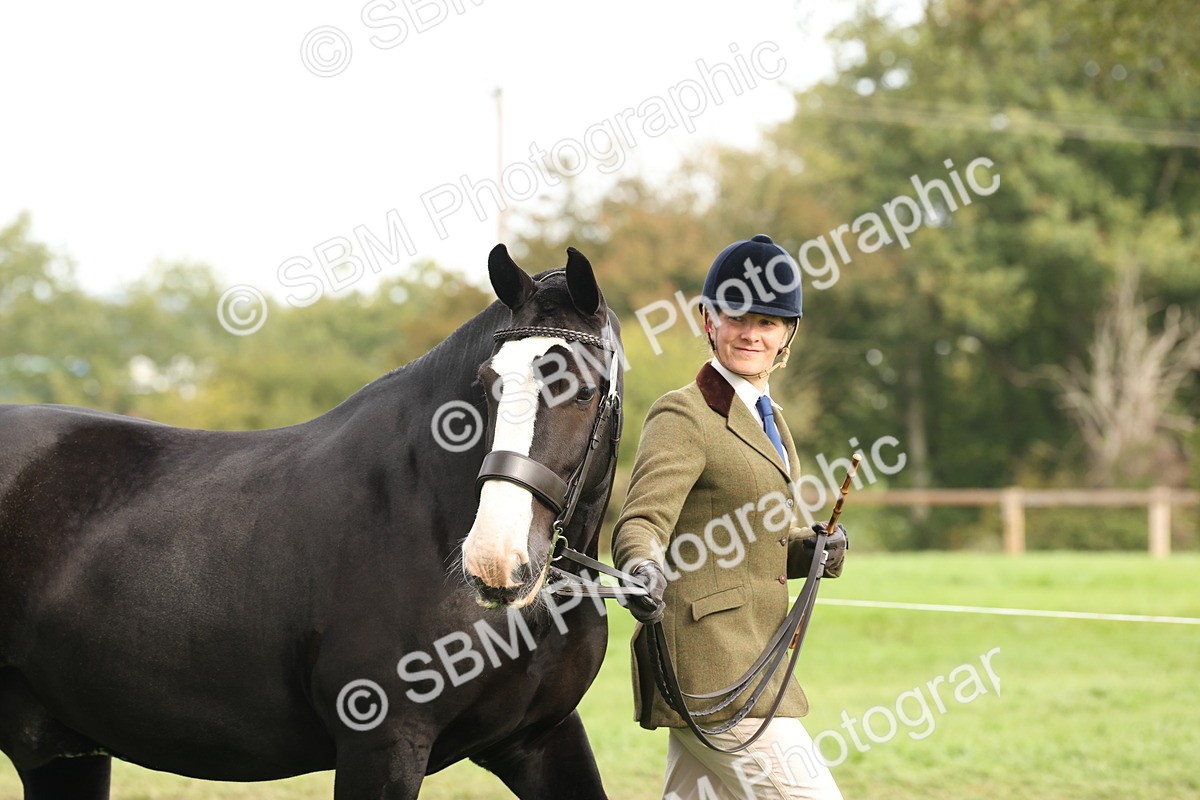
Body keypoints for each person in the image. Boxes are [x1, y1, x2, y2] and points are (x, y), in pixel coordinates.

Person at [612, 234, 849, 800]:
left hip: (753, 659)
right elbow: (641, 522)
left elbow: (746, 536)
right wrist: (641, 566)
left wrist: (809, 548)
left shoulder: (769, 418)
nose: (751, 333)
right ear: (708, 320)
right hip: (711, 668)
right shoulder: (683, 414)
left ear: (788, 333)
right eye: (737, 316)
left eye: (767, 322)